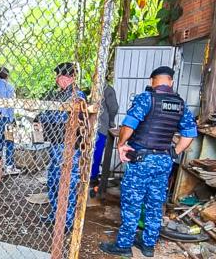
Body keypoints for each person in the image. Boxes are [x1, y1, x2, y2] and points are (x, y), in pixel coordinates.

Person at [99, 66, 197, 257]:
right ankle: (148, 245)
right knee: (155, 203)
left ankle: (124, 246)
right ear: (171, 82)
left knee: (132, 203)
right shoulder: (180, 104)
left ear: (152, 80)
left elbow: (129, 124)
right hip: (164, 161)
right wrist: (173, 152)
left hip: (142, 160)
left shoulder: (147, 98)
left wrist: (121, 144)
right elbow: (189, 134)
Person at [37, 62, 86, 232]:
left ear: (67, 77)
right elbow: (47, 115)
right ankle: (54, 215)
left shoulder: (76, 95)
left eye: (58, 75)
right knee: (53, 182)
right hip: (55, 144)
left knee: (67, 184)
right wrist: (41, 117)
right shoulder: (59, 95)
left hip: (68, 147)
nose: (56, 79)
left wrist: (46, 117)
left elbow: (61, 119)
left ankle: (67, 221)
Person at [91, 79, 119, 182]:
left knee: (96, 153)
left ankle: (93, 177)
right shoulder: (94, 88)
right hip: (92, 126)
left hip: (100, 127)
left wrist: (110, 121)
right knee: (91, 153)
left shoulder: (107, 89)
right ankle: (89, 176)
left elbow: (114, 108)